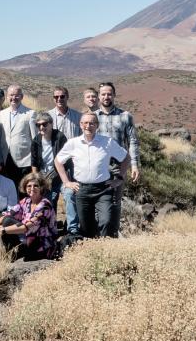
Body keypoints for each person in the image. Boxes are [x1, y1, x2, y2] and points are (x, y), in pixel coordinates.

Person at [55, 112, 130, 238]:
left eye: (91, 123)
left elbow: (126, 158)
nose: (88, 126)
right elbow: (58, 161)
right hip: (82, 189)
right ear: (80, 124)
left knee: (105, 221)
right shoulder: (73, 143)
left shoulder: (107, 142)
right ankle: (92, 250)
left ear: (97, 125)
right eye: (85, 123)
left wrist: (119, 178)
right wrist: (66, 182)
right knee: (85, 226)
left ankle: (104, 248)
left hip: (103, 189)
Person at [93, 82, 141, 232]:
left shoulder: (125, 116)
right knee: (96, 200)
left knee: (115, 200)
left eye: (109, 94)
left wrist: (134, 165)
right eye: (103, 94)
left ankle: (112, 235)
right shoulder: (92, 117)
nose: (106, 97)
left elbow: (132, 141)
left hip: (118, 165)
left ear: (114, 95)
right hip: (97, 165)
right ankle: (97, 235)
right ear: (99, 97)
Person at [0, 173, 59, 261]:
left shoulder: (45, 206)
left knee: (7, 223)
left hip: (41, 244)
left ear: (42, 187)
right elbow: (8, 215)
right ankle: (12, 254)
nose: (32, 188)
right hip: (28, 238)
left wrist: (2, 230)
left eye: (36, 186)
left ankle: (15, 254)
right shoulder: (26, 201)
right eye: (29, 186)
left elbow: (26, 227)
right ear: (25, 188)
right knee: (7, 220)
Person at [0, 85, 34, 185]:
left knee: (23, 192)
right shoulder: (2, 113)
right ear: (7, 97)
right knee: (8, 190)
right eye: (11, 95)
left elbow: (35, 139)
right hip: (6, 159)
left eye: (17, 95)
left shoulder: (30, 114)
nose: (14, 98)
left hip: (24, 160)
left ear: (22, 96)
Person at [30, 112, 67, 207]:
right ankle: (51, 221)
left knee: (69, 195)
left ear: (51, 124)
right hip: (43, 176)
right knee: (47, 202)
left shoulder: (60, 137)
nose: (41, 127)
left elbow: (66, 160)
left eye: (44, 124)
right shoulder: (36, 141)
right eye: (38, 125)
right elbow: (34, 163)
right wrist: (36, 179)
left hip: (59, 175)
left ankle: (71, 222)